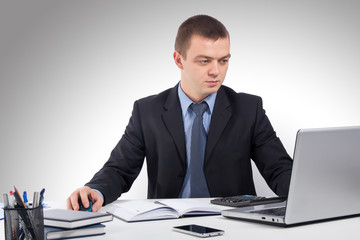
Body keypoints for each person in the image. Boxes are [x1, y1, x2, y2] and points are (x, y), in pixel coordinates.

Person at [67, 15, 293, 212]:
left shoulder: (248, 108)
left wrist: (308, 192)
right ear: (178, 59)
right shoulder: (147, 111)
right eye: (204, 61)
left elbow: (279, 169)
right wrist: (95, 190)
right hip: (168, 224)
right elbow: (119, 169)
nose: (216, 71)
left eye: (223, 61)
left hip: (233, 223)